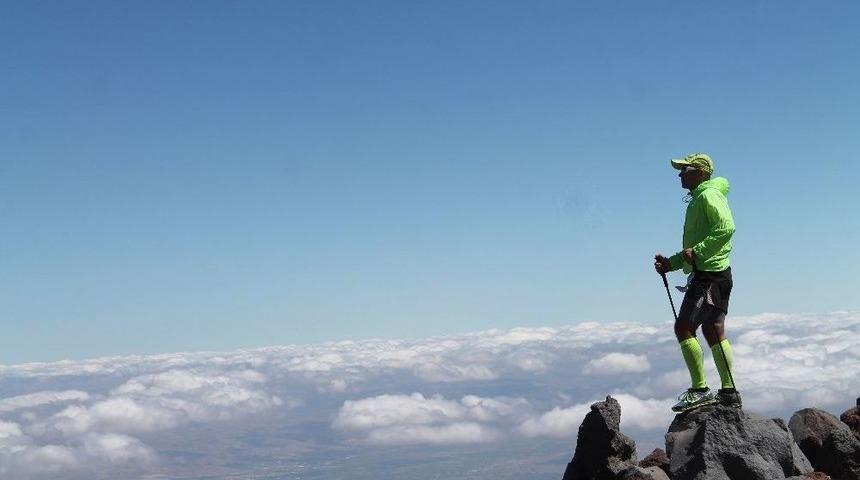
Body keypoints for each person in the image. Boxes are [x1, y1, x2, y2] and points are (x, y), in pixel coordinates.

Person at [654, 153, 742, 412]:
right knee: (713, 329)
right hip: (715, 274)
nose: (680, 175)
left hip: (709, 276)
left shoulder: (708, 196)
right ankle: (728, 391)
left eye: (685, 170)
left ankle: (700, 390)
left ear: (701, 172)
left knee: (684, 327)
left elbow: (726, 228)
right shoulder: (701, 197)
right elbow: (693, 250)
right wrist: (671, 264)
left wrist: (699, 252)